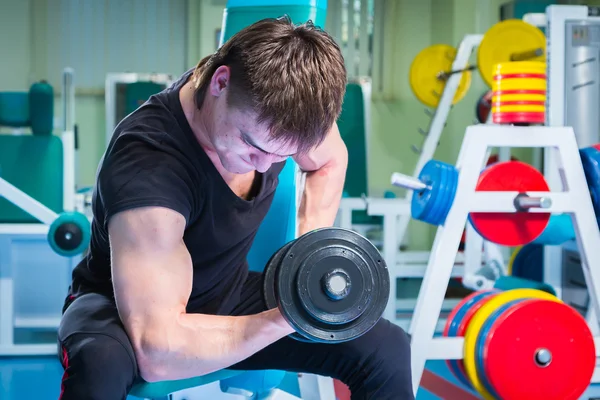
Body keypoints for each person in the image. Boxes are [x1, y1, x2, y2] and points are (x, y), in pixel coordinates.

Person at [57, 16, 413, 400]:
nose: (265, 165)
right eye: (253, 146)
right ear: (220, 83)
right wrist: (293, 314)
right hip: (126, 313)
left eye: (284, 155)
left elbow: (329, 160)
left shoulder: (286, 113)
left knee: (385, 348)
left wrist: (308, 259)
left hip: (224, 293)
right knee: (101, 365)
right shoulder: (149, 164)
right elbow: (156, 352)